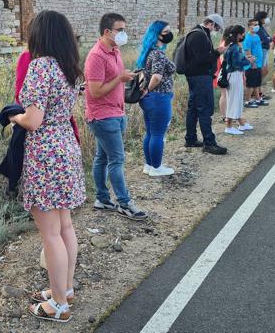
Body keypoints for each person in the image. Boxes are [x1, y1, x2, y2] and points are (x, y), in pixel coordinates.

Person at [10, 10, 86, 323]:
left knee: (50, 234)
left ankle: (58, 305)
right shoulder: (71, 69)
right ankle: (64, 290)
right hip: (66, 148)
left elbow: (33, 120)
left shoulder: (41, 66)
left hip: (45, 154)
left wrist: (14, 116)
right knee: (65, 226)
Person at [84, 13, 148, 220]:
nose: (123, 33)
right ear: (107, 32)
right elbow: (94, 91)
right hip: (103, 116)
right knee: (117, 159)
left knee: (102, 157)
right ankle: (124, 203)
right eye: (120, 30)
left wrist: (125, 77)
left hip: (116, 112)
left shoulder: (115, 51)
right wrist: (120, 78)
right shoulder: (96, 56)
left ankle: (102, 199)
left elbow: (113, 80)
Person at [183, 14, 228, 155]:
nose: (216, 30)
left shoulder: (198, 33)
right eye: (217, 27)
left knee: (194, 108)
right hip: (200, 77)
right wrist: (217, 52)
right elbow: (202, 59)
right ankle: (209, 143)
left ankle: (190, 139)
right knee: (204, 109)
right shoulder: (199, 36)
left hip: (197, 76)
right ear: (210, 23)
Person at [136, 20, 176, 177]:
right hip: (159, 97)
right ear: (156, 34)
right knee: (158, 134)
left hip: (149, 99)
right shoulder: (158, 54)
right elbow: (157, 77)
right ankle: (157, 168)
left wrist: (145, 91)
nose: (169, 34)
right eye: (165, 32)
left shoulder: (148, 52)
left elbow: (142, 74)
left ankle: (149, 164)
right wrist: (147, 89)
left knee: (151, 133)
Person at [222, 25, 255, 135]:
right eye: (242, 34)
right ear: (238, 34)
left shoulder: (231, 45)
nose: (243, 35)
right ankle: (229, 126)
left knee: (237, 100)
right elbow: (236, 63)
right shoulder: (235, 47)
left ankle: (240, 123)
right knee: (234, 101)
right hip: (234, 75)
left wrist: (246, 59)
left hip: (234, 75)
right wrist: (248, 62)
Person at [243, 19, 268, 108]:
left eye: (257, 24)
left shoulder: (257, 36)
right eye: (254, 25)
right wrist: (252, 63)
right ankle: (247, 101)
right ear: (249, 26)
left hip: (258, 63)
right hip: (251, 65)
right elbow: (247, 52)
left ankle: (258, 99)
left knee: (257, 83)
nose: (256, 26)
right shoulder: (248, 38)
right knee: (250, 84)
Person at [254, 11, 272, 93]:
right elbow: (264, 39)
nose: (266, 19)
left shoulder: (262, 28)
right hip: (262, 50)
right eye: (265, 17)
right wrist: (268, 39)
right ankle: (257, 90)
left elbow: (269, 38)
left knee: (265, 70)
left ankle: (258, 88)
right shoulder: (257, 28)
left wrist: (268, 39)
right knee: (261, 70)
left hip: (265, 50)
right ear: (261, 18)